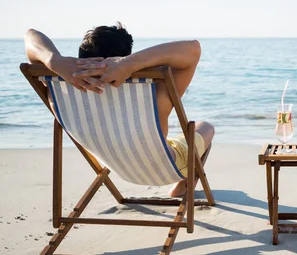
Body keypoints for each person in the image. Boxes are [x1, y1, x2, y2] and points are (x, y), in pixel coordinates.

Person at [24, 23, 213, 197]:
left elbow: (31, 35)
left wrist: (54, 60)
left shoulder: (60, 91)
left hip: (115, 166)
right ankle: (184, 184)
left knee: (163, 139)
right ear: (124, 56)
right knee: (204, 127)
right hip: (165, 168)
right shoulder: (153, 91)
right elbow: (193, 49)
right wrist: (130, 64)